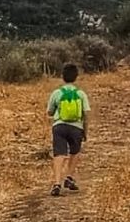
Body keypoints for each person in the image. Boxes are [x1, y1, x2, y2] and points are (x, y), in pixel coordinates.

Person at [46, 63, 91, 196]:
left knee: (59, 154)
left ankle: (57, 183)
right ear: (76, 77)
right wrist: (85, 131)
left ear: (62, 77)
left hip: (59, 126)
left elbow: (49, 112)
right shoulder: (81, 94)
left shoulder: (57, 93)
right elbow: (86, 115)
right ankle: (69, 177)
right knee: (75, 152)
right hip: (76, 127)